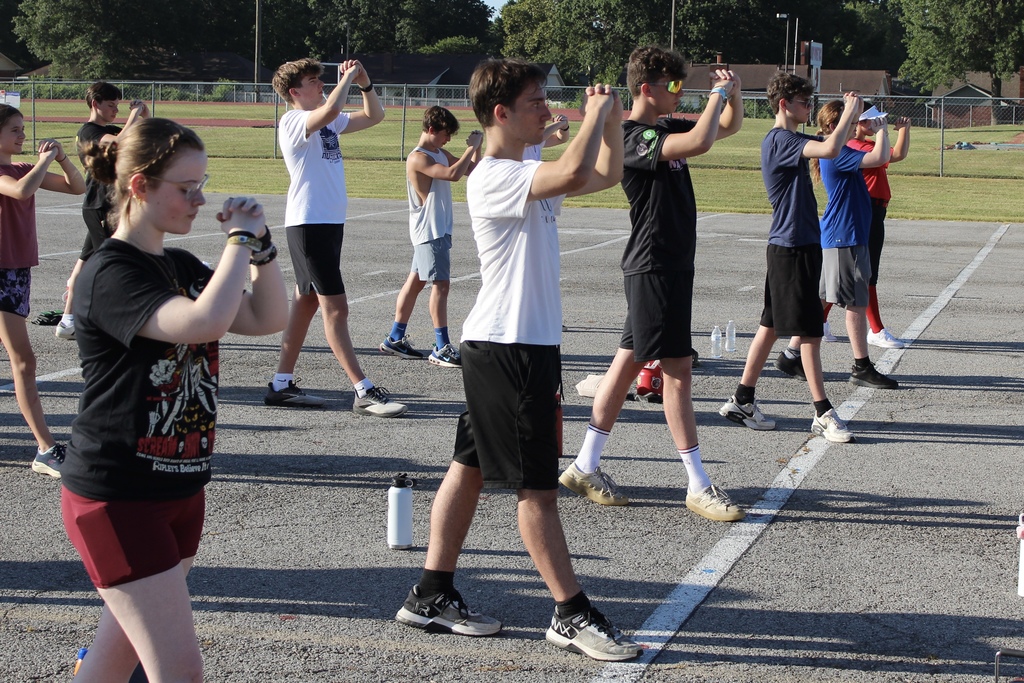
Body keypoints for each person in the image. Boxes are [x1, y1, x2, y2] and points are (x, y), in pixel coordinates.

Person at [396, 58, 641, 662]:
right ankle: (570, 612)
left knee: (470, 466)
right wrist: (593, 118)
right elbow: (575, 166)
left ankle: (431, 594)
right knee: (537, 489)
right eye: (536, 101)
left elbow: (606, 171)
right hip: (510, 350)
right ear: (501, 113)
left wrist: (605, 118)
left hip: (511, 344)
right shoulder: (491, 175)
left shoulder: (527, 165)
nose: (546, 108)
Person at [61, 117, 288, 682]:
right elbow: (200, 320)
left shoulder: (180, 266)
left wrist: (260, 249)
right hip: (120, 495)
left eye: (202, 184)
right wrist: (235, 240)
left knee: (113, 661)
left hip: (179, 486)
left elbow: (267, 317)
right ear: (139, 186)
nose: (200, 199)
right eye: (187, 189)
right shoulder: (110, 271)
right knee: (180, 672)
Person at [560, 46, 746, 522]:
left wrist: (733, 96)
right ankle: (698, 484)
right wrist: (715, 96)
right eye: (674, 86)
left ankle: (584, 466)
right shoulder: (632, 137)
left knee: (626, 365)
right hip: (654, 265)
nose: (680, 94)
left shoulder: (666, 127)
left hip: (668, 264)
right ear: (647, 88)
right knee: (678, 373)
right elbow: (702, 141)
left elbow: (724, 128)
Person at [718, 74, 863, 444]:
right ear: (784, 104)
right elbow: (830, 150)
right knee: (810, 332)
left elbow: (833, 144)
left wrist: (858, 121)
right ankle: (822, 412)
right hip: (792, 245)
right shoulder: (781, 139)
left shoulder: (793, 140)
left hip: (796, 245)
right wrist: (847, 112)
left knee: (770, 326)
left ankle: (742, 400)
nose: (808, 108)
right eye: (802, 102)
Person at [263, 58, 406, 417]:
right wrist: (345, 81)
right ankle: (363, 390)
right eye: (313, 81)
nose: (321, 85)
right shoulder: (293, 121)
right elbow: (330, 110)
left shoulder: (327, 117)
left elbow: (374, 116)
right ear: (295, 92)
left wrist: (364, 82)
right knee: (336, 309)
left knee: (306, 303)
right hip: (309, 224)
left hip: (326, 223)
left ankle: (281, 384)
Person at [0, 104, 85, 477]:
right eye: (15, 130)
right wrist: (45, 162)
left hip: (16, 271)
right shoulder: (13, 173)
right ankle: (46, 448)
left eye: (23, 128)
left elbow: (77, 187)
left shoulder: (22, 168)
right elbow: (20, 192)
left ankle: (45, 448)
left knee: (23, 362)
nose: (23, 135)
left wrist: (63, 159)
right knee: (23, 362)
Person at [379, 106, 482, 367]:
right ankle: (441, 347)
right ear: (432, 130)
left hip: (438, 228)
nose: (449, 140)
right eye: (446, 134)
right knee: (441, 285)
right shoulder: (418, 157)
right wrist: (471, 147)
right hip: (430, 230)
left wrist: (476, 148)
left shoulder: (438, 152)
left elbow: (472, 169)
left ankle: (395, 337)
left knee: (415, 282)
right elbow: (452, 174)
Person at [809, 99, 898, 389]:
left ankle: (793, 352)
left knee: (826, 296)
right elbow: (878, 158)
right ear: (835, 126)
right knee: (856, 302)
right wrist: (882, 130)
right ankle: (861, 366)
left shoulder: (839, 150)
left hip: (844, 233)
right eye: (852, 120)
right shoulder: (838, 153)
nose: (861, 124)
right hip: (846, 234)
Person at [55, 81, 149, 340]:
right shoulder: (89, 131)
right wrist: (133, 115)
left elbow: (140, 140)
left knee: (85, 264)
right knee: (112, 263)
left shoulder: (110, 129)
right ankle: (109, 319)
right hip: (100, 205)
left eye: (118, 106)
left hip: (109, 205)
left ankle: (68, 319)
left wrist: (145, 116)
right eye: (111, 105)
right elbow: (117, 144)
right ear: (96, 104)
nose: (116, 110)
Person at [847, 109, 911, 349]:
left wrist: (903, 130)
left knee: (853, 271)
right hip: (868, 211)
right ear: (858, 123)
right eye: (870, 120)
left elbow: (898, 154)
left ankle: (820, 322)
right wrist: (883, 132)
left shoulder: (869, 144)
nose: (875, 123)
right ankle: (876, 329)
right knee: (866, 272)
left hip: (876, 211)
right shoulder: (856, 145)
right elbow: (887, 156)